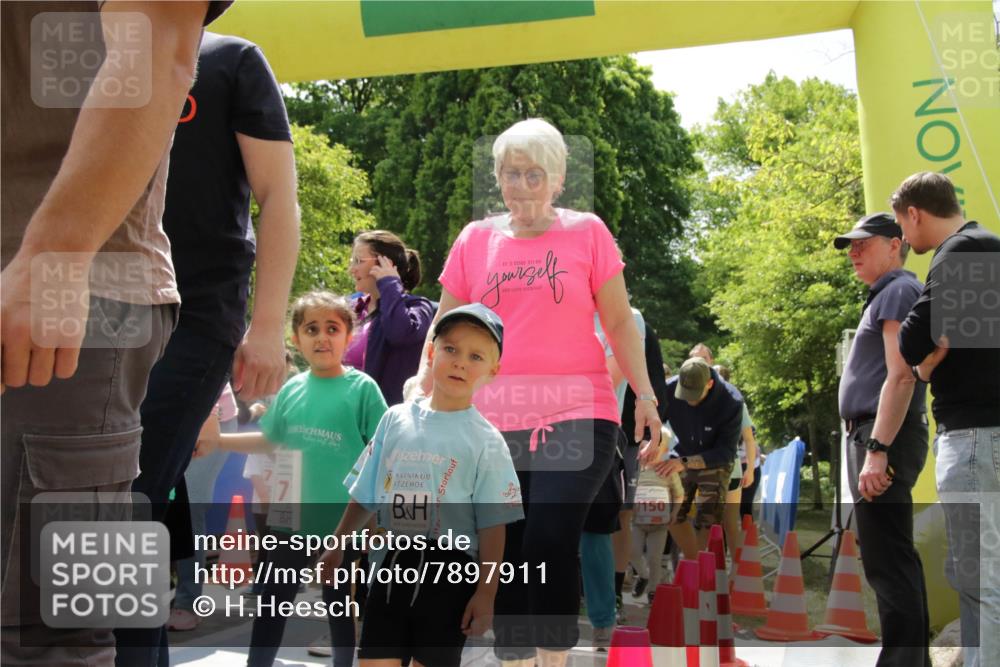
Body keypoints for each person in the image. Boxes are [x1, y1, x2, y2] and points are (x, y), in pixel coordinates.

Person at [1, 3, 228, 664]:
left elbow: (159, 42)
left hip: (74, 296)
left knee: (60, 632)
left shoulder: (241, 68)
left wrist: (57, 252)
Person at [414, 118, 661, 666]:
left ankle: (554, 660)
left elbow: (619, 322)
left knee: (548, 539)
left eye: (533, 174)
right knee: (503, 550)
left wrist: (644, 395)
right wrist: (423, 385)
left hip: (580, 411)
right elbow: (446, 323)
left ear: (558, 179)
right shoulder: (476, 239)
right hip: (492, 419)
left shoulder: (588, 232)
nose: (521, 185)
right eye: (509, 174)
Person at [115, 30, 300, 664]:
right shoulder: (78, 52)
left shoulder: (231, 60)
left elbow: (278, 195)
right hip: (86, 315)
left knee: (124, 511)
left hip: (193, 317)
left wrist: (269, 325)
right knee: (92, 519)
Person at [321, 303, 524, 667]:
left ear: (493, 371)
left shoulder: (488, 441)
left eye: (476, 356)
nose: (461, 362)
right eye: (451, 349)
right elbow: (365, 491)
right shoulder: (395, 419)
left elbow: (493, 525)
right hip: (389, 570)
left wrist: (487, 592)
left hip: (450, 578)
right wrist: (337, 545)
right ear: (431, 352)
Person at [196, 292, 388, 667]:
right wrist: (218, 440)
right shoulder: (292, 389)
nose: (322, 337)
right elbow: (270, 439)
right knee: (272, 600)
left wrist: (374, 522)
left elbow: (381, 453)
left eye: (332, 328)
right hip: (290, 520)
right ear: (296, 340)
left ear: (349, 336)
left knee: (338, 604)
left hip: (341, 525)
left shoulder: (363, 389)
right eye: (311, 329)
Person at [893, 172, 1000, 667]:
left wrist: (922, 365)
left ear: (914, 213)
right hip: (985, 430)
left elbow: (913, 342)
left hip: (976, 436)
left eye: (902, 226)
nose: (905, 240)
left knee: (980, 576)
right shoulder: (990, 248)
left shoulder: (960, 253)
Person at [833, 211, 930, 666]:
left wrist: (877, 449)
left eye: (862, 243)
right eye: (849, 246)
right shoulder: (889, 294)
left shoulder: (896, 291)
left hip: (880, 435)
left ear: (895, 244)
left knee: (889, 560)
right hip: (875, 435)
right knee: (887, 557)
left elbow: (902, 376)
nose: (853, 252)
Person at [648, 357, 742, 560]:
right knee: (671, 512)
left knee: (707, 518)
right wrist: (653, 444)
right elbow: (654, 422)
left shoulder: (731, 401)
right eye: (685, 394)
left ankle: (700, 567)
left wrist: (685, 463)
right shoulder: (668, 389)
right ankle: (692, 561)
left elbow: (725, 452)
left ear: (709, 383)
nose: (689, 400)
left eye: (694, 395)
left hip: (714, 460)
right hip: (682, 453)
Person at [167, 384, 240, 631]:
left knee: (191, 505)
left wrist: (211, 413)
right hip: (166, 415)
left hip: (211, 415)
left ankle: (188, 603)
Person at [347, 230, 435, 406]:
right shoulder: (352, 308)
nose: (351, 269)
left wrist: (389, 283)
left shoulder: (417, 307)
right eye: (352, 262)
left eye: (358, 261)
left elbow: (399, 334)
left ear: (385, 263)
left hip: (383, 418)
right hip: (345, 413)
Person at [687, 345, 753, 560]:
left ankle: (738, 574)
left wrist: (750, 468)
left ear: (711, 360)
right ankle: (693, 575)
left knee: (729, 522)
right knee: (697, 524)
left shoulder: (731, 397)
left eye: (703, 359)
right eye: (694, 359)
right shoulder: (684, 395)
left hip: (727, 470)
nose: (700, 363)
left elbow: (749, 437)